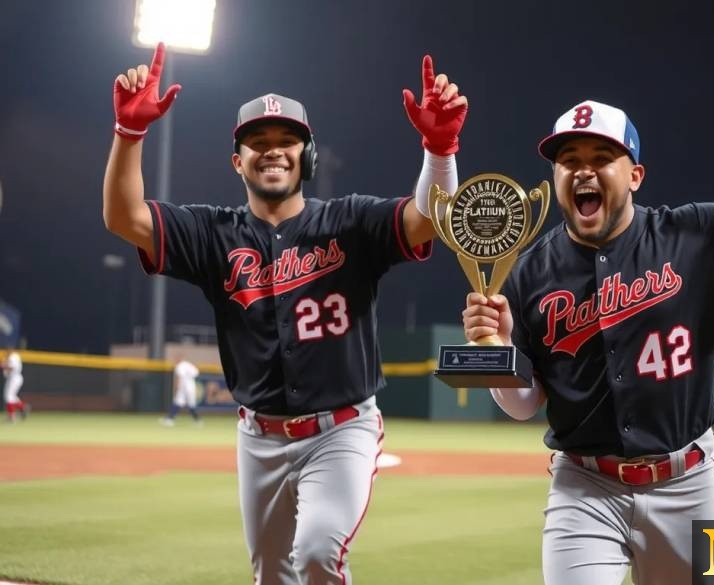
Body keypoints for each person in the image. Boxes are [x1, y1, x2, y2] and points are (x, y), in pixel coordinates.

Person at [462, 18, 714, 585]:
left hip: (687, 483)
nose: (582, 167)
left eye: (600, 156)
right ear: (554, 177)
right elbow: (524, 403)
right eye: (568, 159)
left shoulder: (700, 237)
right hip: (584, 487)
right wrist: (498, 348)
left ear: (634, 175)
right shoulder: (528, 270)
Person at [103, 43, 467, 585]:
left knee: (319, 553)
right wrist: (128, 134)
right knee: (272, 577)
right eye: (257, 142)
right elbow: (124, 217)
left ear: (308, 154)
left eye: (286, 140)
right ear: (238, 160)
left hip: (340, 430)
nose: (272, 151)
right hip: (259, 436)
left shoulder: (350, 222)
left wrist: (439, 150)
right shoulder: (212, 233)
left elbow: (426, 221)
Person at [160, 357, 201, 427]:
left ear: (178, 360)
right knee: (182, 402)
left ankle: (197, 420)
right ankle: (170, 418)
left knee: (183, 402)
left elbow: (180, 377)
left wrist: (176, 387)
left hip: (184, 386)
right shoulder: (188, 364)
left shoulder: (180, 366)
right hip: (191, 386)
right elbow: (196, 373)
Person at [0, 350, 28, 423]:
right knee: (11, 396)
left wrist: (4, 365)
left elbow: (12, 367)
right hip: (12, 378)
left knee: (9, 396)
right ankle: (22, 407)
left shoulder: (14, 356)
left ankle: (11, 417)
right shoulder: (10, 356)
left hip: (15, 378)